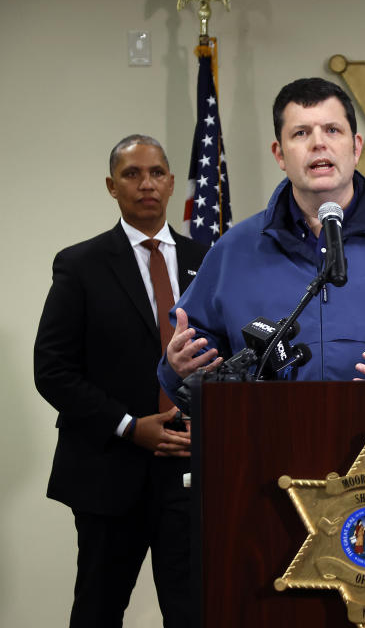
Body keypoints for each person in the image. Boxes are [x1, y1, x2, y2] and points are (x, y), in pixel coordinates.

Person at [159, 77, 365, 391]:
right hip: (269, 438)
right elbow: (188, 361)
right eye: (301, 133)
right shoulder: (233, 250)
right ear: (280, 154)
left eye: (332, 130)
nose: (318, 143)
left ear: (355, 147)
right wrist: (177, 369)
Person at [34, 135, 208, 627]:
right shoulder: (80, 265)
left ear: (172, 183)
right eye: (132, 174)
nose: (146, 183)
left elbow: (229, 358)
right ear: (112, 187)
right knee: (98, 610)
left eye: (155, 173)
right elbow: (52, 370)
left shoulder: (209, 260)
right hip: (108, 471)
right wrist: (131, 426)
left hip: (189, 470)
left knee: (194, 611)